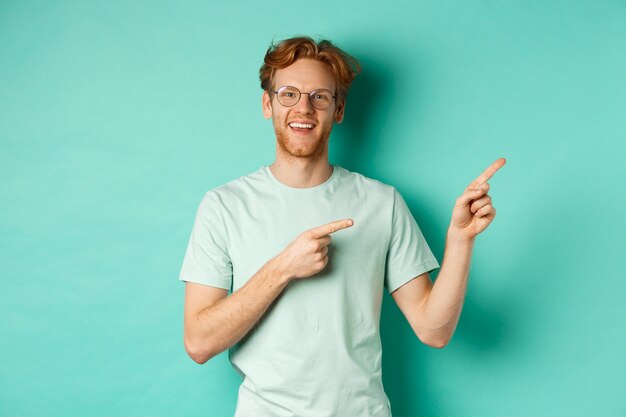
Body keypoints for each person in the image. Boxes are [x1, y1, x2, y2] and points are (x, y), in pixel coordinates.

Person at [179, 35, 506, 417]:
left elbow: (434, 331)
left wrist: (460, 239)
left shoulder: (382, 203)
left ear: (338, 110)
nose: (303, 107)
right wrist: (283, 268)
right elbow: (199, 342)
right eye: (288, 94)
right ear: (267, 104)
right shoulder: (224, 206)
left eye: (320, 96)